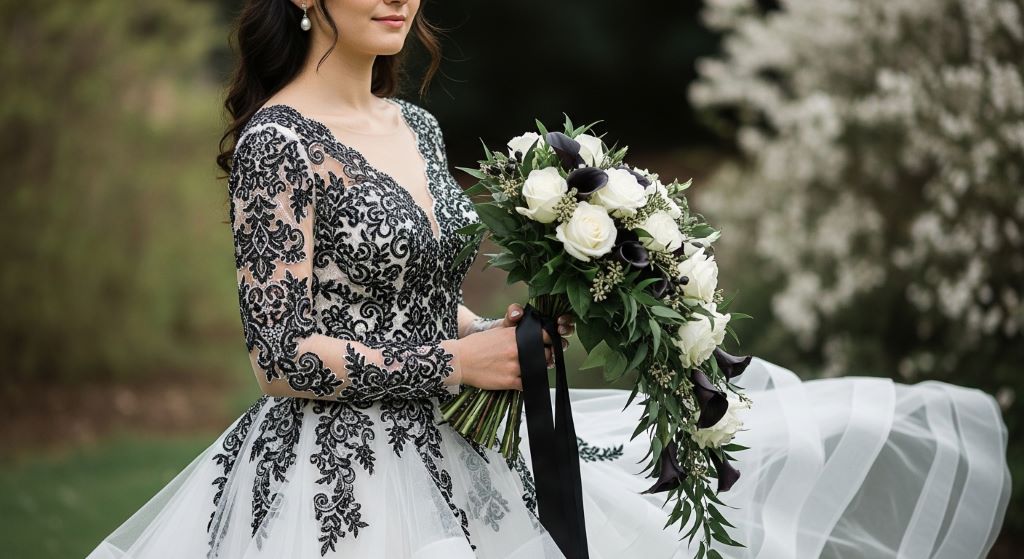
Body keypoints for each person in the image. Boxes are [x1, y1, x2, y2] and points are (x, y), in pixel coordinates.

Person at [85, 1, 1011, 558]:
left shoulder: (415, 127)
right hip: (337, 483)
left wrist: (509, 334)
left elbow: (416, 293)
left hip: (455, 444)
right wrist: (459, 360)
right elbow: (280, 357)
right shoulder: (277, 145)